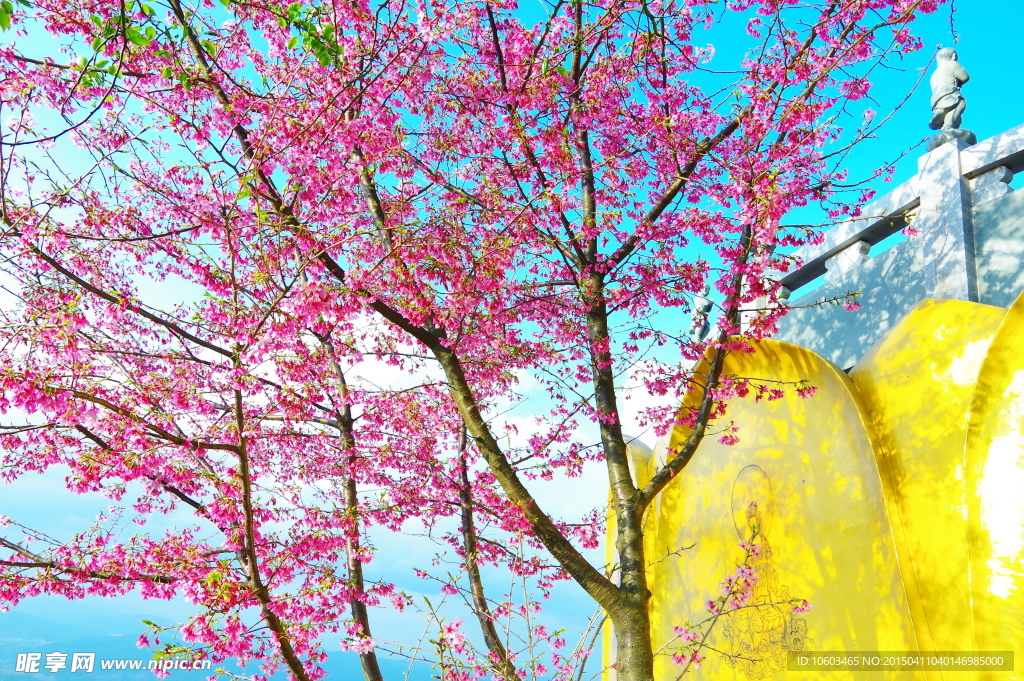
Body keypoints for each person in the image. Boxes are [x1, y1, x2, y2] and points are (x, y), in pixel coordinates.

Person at [929, 48, 969, 131]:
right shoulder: (952, 64)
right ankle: (948, 125)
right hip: (949, 90)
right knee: (960, 104)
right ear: (954, 56)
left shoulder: (934, 74)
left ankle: (940, 113)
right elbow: (965, 77)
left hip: (936, 97)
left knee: (952, 112)